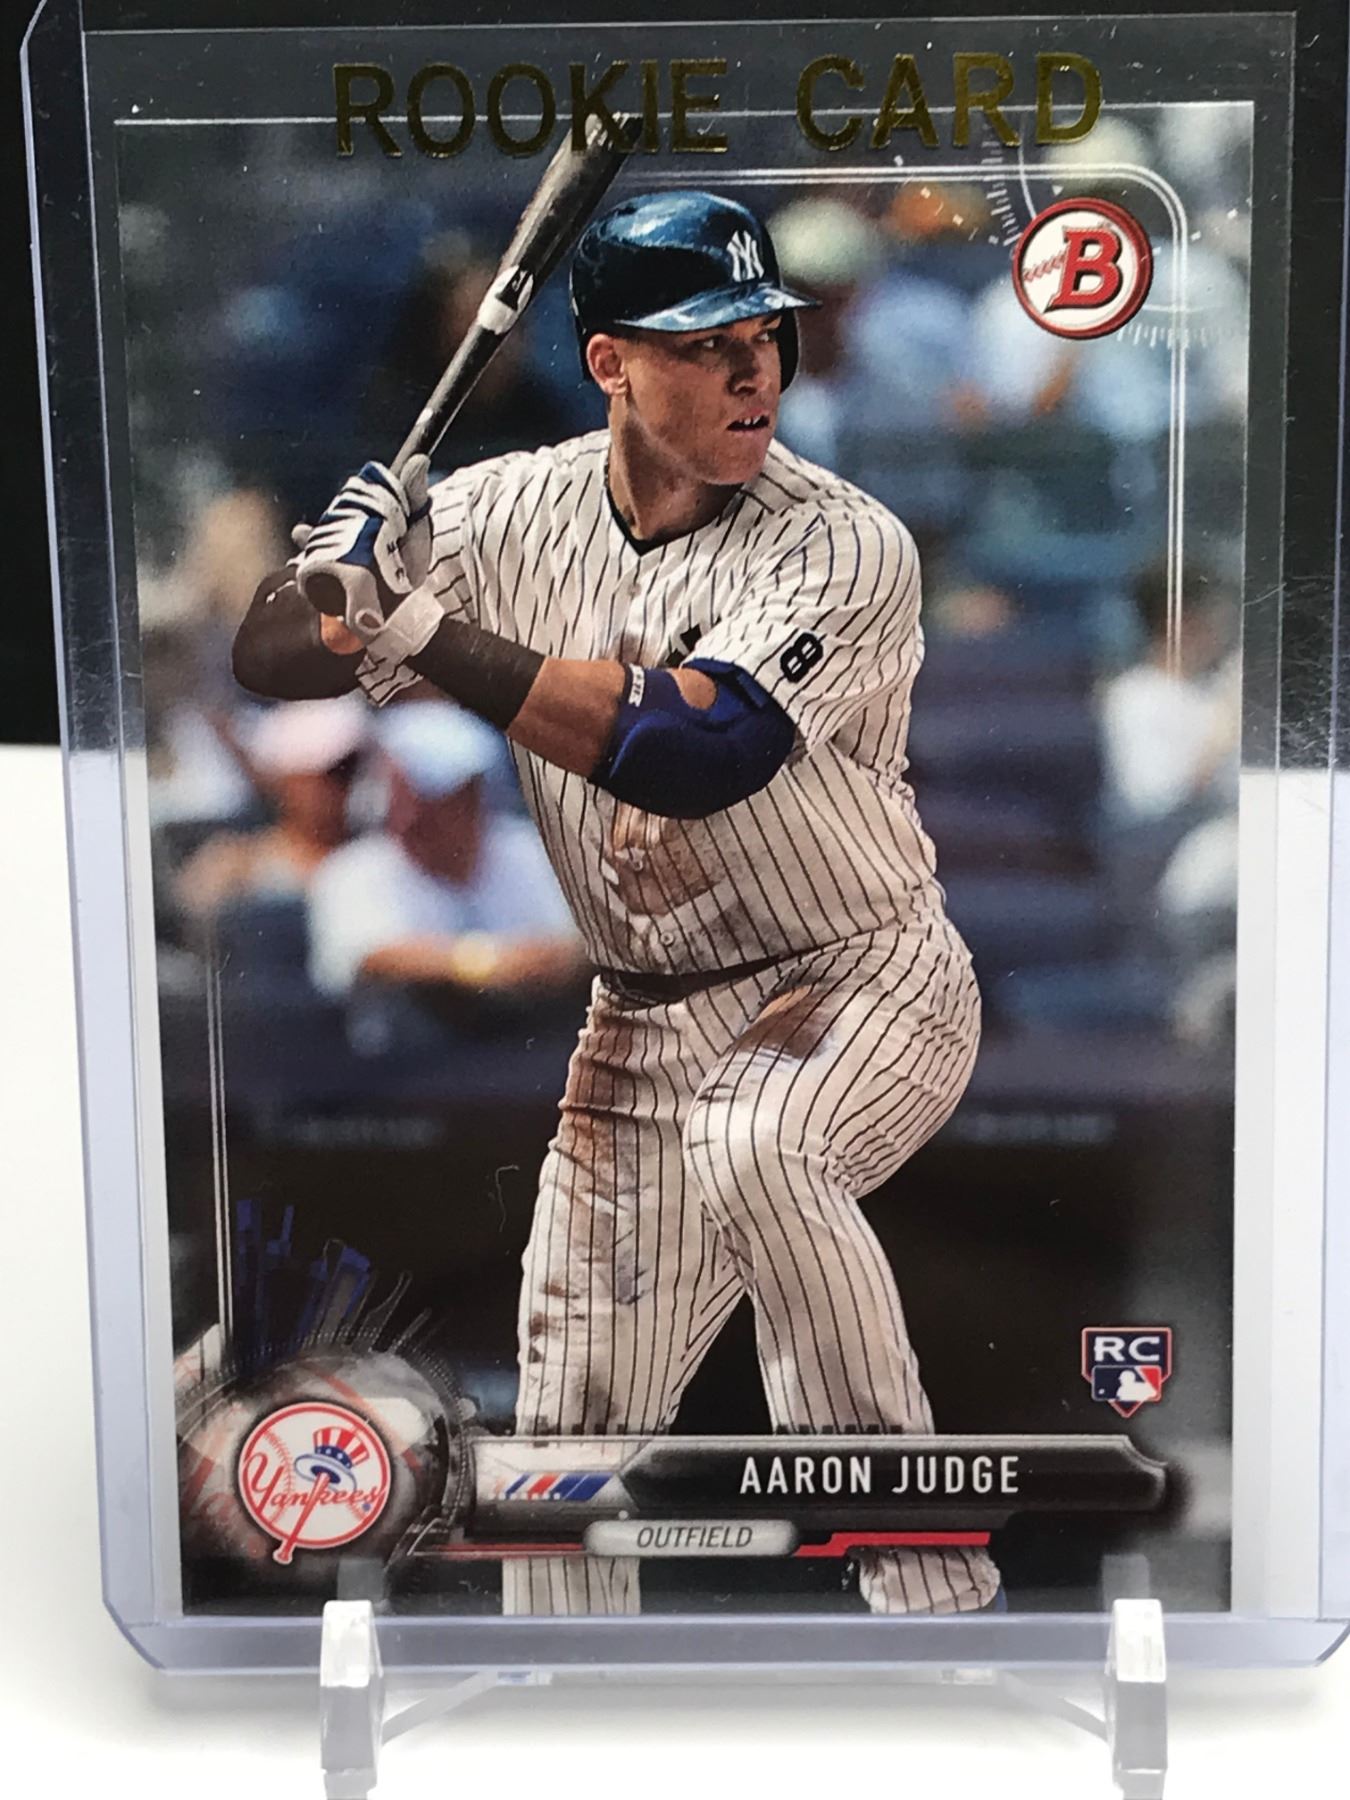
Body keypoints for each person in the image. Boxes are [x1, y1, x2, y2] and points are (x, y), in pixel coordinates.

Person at [233, 190, 1002, 1617]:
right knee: (567, 1433)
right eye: (707, 344)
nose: (755, 371)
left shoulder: (844, 541)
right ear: (609, 364)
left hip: (854, 975)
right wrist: (333, 571)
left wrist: (415, 626)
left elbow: (692, 750)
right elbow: (269, 659)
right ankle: (558, 1679)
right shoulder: (505, 508)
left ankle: (925, 1582)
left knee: (761, 1141)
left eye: (764, 335)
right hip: (641, 1018)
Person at [307, 701, 583, 1002]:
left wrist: (546, 961)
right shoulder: (351, 872)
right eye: (401, 798)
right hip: (410, 1031)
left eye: (431, 802)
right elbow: (371, 957)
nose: (410, 817)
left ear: (472, 795)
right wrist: (486, 964)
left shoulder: (533, 850)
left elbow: (578, 947)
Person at [175, 696, 366, 921]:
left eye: (354, 767)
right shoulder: (237, 867)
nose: (349, 783)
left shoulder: (382, 857)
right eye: (335, 772)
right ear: (288, 781)